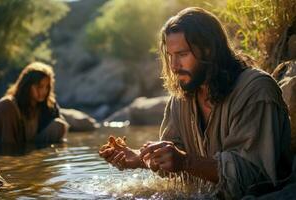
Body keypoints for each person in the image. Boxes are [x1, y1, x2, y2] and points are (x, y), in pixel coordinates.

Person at [99, 7, 293, 199]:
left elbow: (254, 177)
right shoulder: (181, 98)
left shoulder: (256, 90)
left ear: (209, 51)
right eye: (170, 56)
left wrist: (185, 162)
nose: (174, 66)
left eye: (182, 54)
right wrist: (141, 158)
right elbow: (175, 168)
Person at [0, 62, 69, 145]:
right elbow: (7, 146)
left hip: (31, 147)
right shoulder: (8, 105)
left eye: (47, 87)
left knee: (59, 125)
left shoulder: (47, 104)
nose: (44, 91)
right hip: (12, 149)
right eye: (39, 86)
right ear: (27, 85)